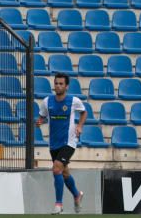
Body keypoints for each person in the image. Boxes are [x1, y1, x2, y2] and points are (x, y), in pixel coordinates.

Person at [36, 73, 87, 215]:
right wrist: (39, 121)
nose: (58, 86)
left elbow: (84, 112)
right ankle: (77, 195)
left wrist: (80, 126)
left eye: (61, 84)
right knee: (64, 173)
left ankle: (58, 204)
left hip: (69, 142)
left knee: (56, 169)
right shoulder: (47, 101)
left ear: (66, 86)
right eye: (56, 83)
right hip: (54, 143)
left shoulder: (73, 101)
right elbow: (42, 116)